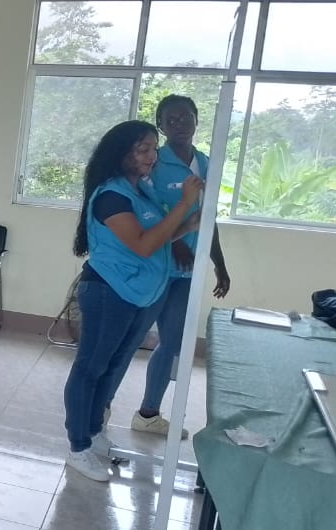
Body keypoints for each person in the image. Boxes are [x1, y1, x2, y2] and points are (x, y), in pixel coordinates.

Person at [63, 121, 201, 482]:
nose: (152, 156)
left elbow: (159, 235)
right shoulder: (112, 196)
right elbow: (142, 244)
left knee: (111, 368)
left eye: (154, 149)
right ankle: (78, 447)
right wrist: (184, 204)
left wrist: (189, 224)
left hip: (137, 294)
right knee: (90, 369)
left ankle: (94, 432)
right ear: (121, 154)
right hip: (109, 293)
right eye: (143, 149)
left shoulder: (141, 191)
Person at [132, 95, 231, 438]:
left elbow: (207, 218)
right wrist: (174, 244)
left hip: (187, 273)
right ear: (160, 126)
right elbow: (146, 213)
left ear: (196, 120)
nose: (179, 124)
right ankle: (101, 407)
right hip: (155, 267)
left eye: (185, 117)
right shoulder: (154, 164)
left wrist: (220, 264)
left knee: (172, 343)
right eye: (170, 120)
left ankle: (148, 414)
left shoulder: (204, 164)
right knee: (128, 339)